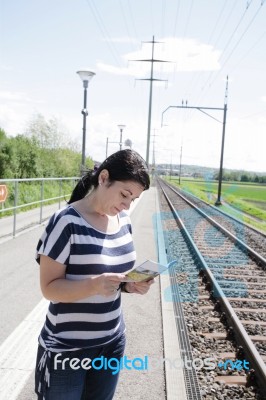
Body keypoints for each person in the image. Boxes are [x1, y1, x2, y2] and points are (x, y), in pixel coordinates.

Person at [34, 149, 153, 400]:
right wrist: (94, 285)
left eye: (133, 199)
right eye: (124, 194)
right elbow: (49, 288)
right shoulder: (66, 222)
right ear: (103, 178)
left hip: (112, 343)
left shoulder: (123, 221)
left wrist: (129, 286)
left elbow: (111, 277)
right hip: (66, 350)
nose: (126, 205)